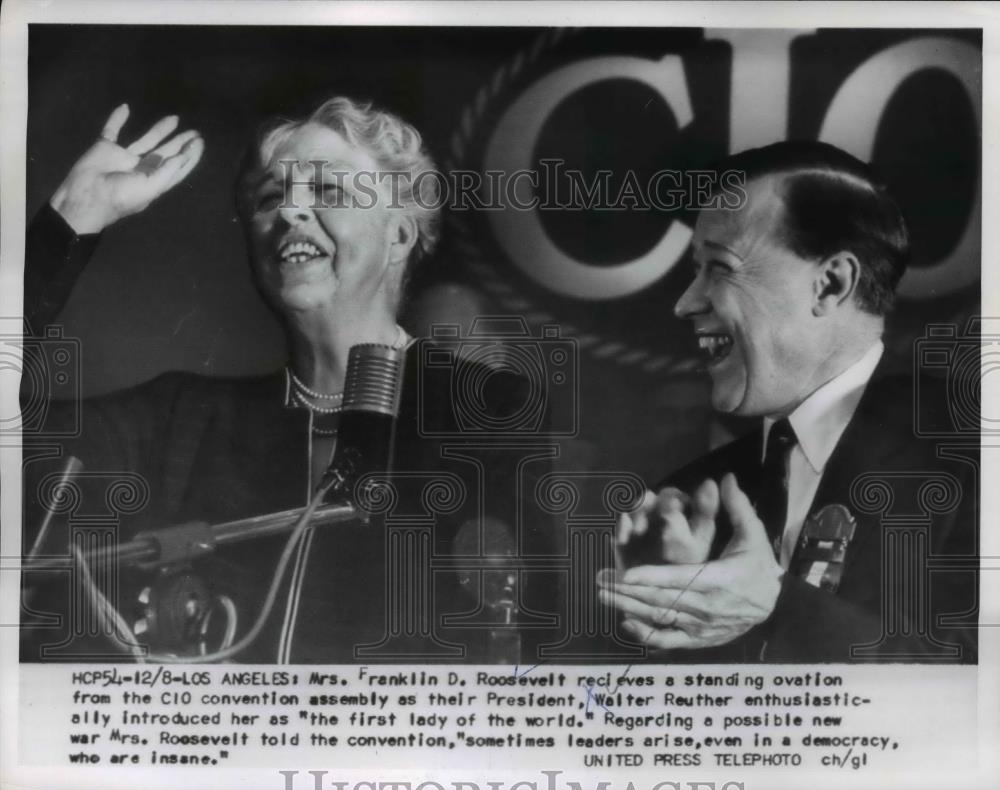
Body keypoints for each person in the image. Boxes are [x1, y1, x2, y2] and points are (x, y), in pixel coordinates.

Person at [21, 98, 557, 663]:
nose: (290, 213)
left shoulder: (488, 410)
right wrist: (69, 219)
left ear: (398, 236)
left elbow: (544, 624)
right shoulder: (180, 421)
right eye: (270, 196)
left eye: (328, 191)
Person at [599, 141, 978, 663]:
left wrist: (776, 608)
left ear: (830, 284)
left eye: (720, 267)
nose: (686, 302)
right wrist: (669, 621)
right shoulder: (689, 499)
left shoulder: (974, 452)